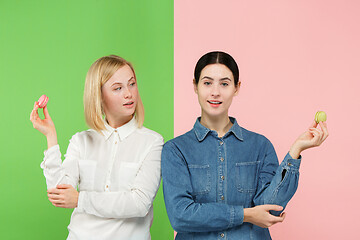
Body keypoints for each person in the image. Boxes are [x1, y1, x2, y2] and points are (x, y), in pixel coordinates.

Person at [161, 51, 328, 239]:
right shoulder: (176, 150)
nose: (215, 92)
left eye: (224, 84)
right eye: (207, 83)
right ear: (195, 86)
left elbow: (270, 210)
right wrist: (246, 215)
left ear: (236, 87)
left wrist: (295, 151)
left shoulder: (260, 146)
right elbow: (181, 216)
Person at [30, 55, 163, 240]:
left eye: (131, 84)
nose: (129, 93)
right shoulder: (81, 141)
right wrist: (50, 137)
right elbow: (59, 193)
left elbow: (139, 203)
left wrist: (80, 199)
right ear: (98, 95)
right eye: (118, 88)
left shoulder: (152, 142)